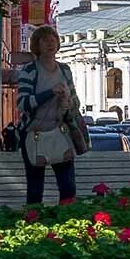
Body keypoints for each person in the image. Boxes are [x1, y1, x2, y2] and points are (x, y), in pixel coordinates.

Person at [16, 25, 85, 204]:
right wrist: (50, 93)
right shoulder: (30, 70)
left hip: (60, 131)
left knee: (68, 186)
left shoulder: (65, 70)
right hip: (34, 132)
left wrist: (68, 101)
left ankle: (68, 221)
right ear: (36, 45)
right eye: (45, 40)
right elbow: (22, 103)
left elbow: (76, 102)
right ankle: (34, 221)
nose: (50, 43)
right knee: (35, 186)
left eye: (53, 39)